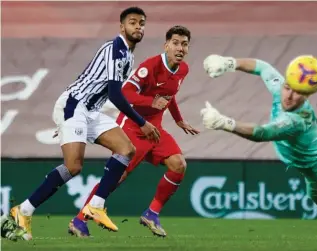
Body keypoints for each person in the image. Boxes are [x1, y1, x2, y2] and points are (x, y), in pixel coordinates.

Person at [10, 7, 160, 240]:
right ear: (122, 26)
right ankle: (24, 210)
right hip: (74, 105)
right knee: (73, 167)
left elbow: (105, 89)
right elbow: (115, 95)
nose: (138, 27)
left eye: (142, 23)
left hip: (90, 110)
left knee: (126, 149)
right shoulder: (115, 49)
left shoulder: (128, 55)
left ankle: (95, 205)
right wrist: (141, 122)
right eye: (133, 22)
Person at [200, 54, 317, 211]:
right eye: (287, 88)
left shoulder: (295, 120)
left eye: (297, 92)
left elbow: (262, 134)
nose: (289, 96)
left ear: (308, 95)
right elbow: (263, 67)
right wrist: (229, 63)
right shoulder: (283, 89)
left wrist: (224, 122)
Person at [68, 25, 198, 238]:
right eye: (175, 43)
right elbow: (124, 94)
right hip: (133, 126)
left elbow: (169, 95)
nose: (180, 48)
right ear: (166, 45)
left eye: (184, 44)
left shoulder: (183, 70)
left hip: (155, 129)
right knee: (117, 178)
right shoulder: (150, 67)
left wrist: (179, 120)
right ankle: (79, 220)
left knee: (178, 165)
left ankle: (152, 213)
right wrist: (150, 101)